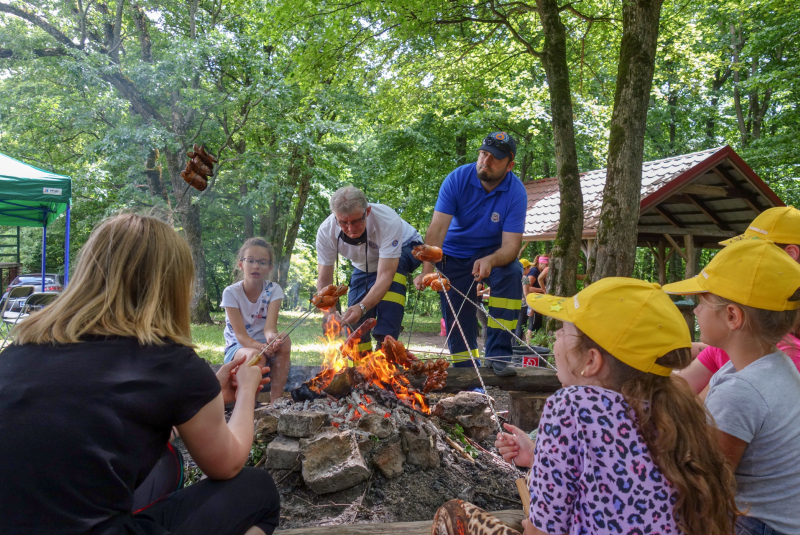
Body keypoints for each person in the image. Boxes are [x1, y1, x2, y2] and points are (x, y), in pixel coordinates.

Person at [0, 214, 280, 535]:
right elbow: (228, 464)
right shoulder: (170, 362)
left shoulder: (19, 351)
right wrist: (246, 390)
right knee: (259, 491)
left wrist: (204, 397)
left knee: (167, 461)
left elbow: (98, 426)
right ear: (173, 285)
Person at [432, 277, 738, 535]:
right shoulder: (674, 402)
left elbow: (543, 531)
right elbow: (618, 478)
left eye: (564, 330)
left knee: (451, 513)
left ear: (591, 361)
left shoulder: (571, 406)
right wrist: (537, 456)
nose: (554, 336)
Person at [663, 238, 800, 535]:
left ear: (732, 316)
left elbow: (708, 482)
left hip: (761, 524)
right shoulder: (770, 363)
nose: (696, 311)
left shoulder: (743, 390)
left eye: (702, 301)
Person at [414, 132, 527, 376]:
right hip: (453, 254)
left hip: (492, 252)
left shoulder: (516, 193)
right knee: (457, 317)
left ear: (510, 165)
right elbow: (437, 230)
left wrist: (490, 259)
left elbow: (511, 247)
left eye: (495, 158)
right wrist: (427, 272)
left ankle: (499, 356)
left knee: (512, 272)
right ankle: (467, 374)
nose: (486, 161)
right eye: (483, 153)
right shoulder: (457, 179)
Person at [676, 206, 800, 398]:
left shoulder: (780, 354)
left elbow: (701, 415)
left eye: (756, 248)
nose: (741, 255)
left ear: (791, 254)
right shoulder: (753, 335)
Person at [316, 186, 422, 351]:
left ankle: (386, 345)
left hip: (406, 248)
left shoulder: (387, 221)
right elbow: (324, 279)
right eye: (343, 222)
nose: (351, 229)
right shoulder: (326, 231)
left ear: (368, 211)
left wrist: (363, 306)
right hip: (364, 263)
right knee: (353, 320)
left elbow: (385, 275)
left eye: (356, 221)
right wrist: (330, 314)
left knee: (394, 278)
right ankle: (361, 361)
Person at [221, 237, 291, 405]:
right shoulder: (231, 293)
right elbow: (241, 336)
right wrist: (262, 348)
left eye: (262, 262)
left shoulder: (274, 290)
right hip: (238, 347)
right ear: (241, 264)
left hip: (262, 343)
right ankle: (247, 407)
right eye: (250, 261)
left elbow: (269, 329)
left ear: (269, 268)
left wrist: (272, 340)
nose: (256, 266)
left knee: (284, 339)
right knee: (255, 355)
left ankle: (276, 403)